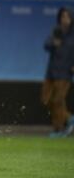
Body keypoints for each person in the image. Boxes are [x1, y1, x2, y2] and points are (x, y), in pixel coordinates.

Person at [41, 7, 74, 138]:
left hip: (65, 73)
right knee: (46, 99)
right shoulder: (56, 31)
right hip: (51, 72)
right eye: (62, 17)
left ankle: (59, 130)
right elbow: (46, 45)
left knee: (58, 100)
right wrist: (54, 42)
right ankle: (69, 118)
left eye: (67, 17)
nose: (64, 19)